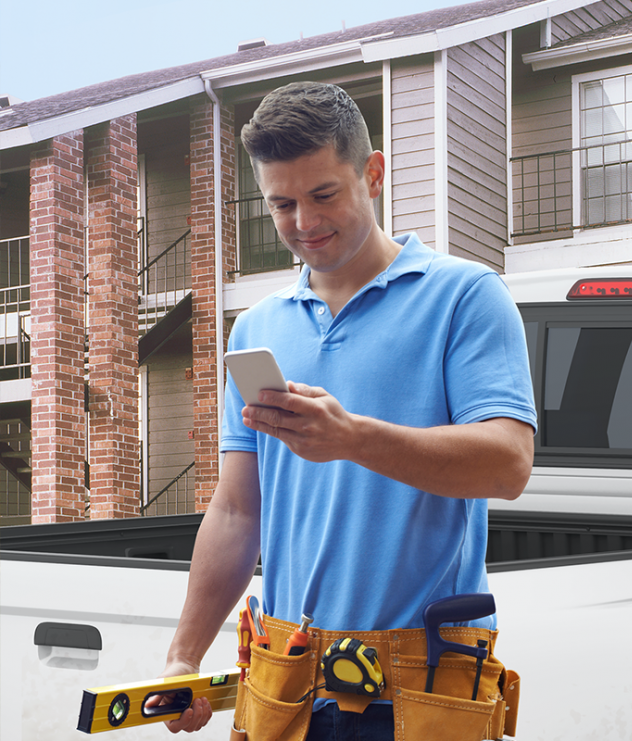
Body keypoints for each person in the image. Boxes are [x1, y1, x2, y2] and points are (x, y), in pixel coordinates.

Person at [157, 81, 536, 738]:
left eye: (323, 194)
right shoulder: (256, 329)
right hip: (284, 684)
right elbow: (236, 508)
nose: (303, 222)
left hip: (417, 690)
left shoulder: (464, 297)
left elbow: (507, 465)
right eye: (281, 204)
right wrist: (182, 656)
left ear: (374, 172)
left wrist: (353, 437)